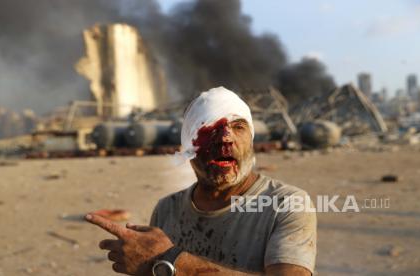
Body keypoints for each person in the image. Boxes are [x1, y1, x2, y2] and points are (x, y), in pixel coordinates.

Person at [86, 87, 317, 276]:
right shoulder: (167, 209)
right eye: (209, 129)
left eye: (238, 127)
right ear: (188, 147)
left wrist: (168, 261)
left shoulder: (288, 204)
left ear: (251, 140)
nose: (226, 138)